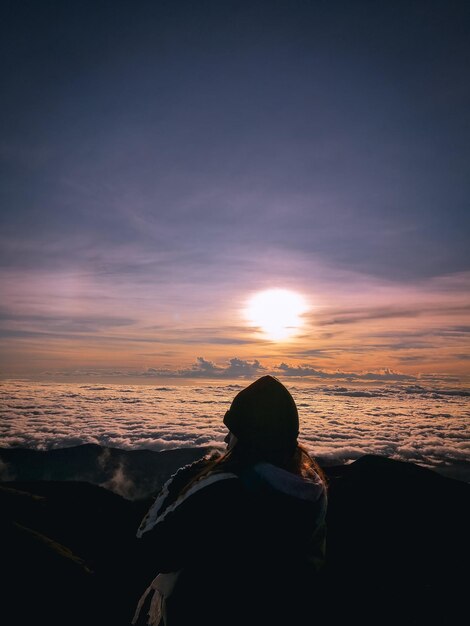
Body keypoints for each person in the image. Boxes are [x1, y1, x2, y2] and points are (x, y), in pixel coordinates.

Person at [132, 375, 327, 626]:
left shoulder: (223, 492)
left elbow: (149, 550)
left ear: (247, 440)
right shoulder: (310, 494)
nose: (225, 440)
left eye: (231, 432)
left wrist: (183, 480)